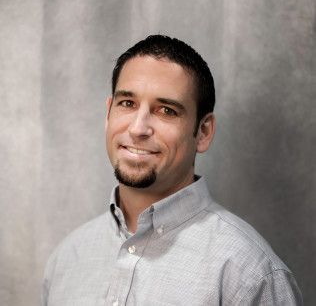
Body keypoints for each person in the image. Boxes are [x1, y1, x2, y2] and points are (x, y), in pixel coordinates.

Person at [42, 35, 303, 305]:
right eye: (127, 103)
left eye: (166, 110)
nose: (138, 128)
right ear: (109, 113)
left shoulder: (250, 275)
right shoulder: (66, 260)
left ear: (203, 132)